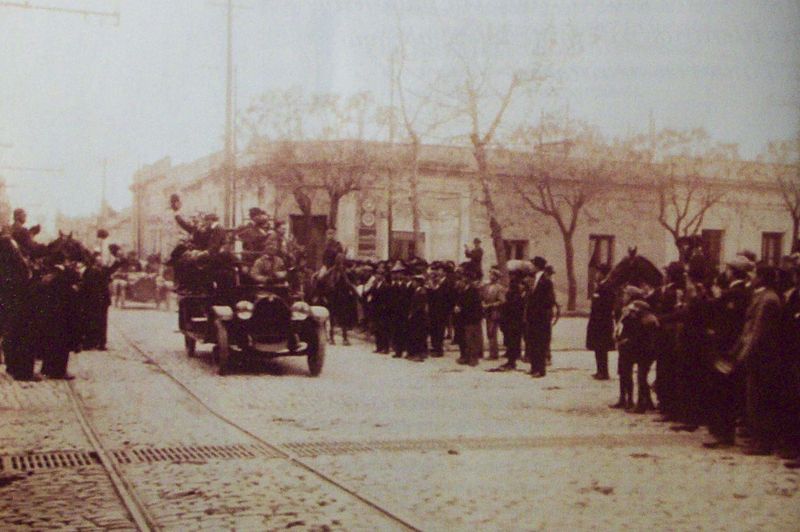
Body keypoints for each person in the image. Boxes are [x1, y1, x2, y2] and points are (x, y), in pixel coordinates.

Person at [732, 264, 784, 455]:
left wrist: (743, 355)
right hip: (757, 356)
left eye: (754, 275)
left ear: (762, 277)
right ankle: (758, 439)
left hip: (763, 357)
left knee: (760, 400)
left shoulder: (768, 300)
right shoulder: (762, 297)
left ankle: (763, 442)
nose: (751, 278)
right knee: (754, 399)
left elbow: (758, 333)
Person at [703, 256, 753, 448]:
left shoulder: (735, 294)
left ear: (732, 271)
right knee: (726, 391)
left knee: (724, 392)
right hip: (729, 348)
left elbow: (729, 325)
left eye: (728, 269)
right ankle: (723, 432)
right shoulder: (739, 292)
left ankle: (724, 434)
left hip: (727, 350)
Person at [523, 256, 555, 378]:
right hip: (533, 317)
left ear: (537, 266)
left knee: (540, 344)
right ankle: (534, 367)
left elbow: (549, 300)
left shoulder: (546, 281)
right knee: (533, 342)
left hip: (541, 318)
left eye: (532, 265)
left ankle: (540, 370)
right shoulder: (535, 279)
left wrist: (539, 311)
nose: (530, 267)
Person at [586, 264, 614, 380]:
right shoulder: (601, 286)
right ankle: (600, 370)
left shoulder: (607, 286)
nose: (596, 275)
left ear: (603, 274)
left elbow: (606, 304)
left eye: (598, 272)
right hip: (598, 321)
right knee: (598, 347)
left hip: (602, 322)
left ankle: (603, 372)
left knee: (602, 347)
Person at [454, 268, 483, 366]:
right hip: (463, 318)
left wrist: (461, 308)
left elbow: (474, 305)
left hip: (471, 318)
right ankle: (466, 357)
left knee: (471, 339)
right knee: (465, 339)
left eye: (464, 278)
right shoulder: (462, 290)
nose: (462, 280)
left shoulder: (473, 290)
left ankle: (473, 358)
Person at [481, 267, 506, 360]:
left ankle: (494, 353)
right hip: (488, 312)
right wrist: (483, 303)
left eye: (492, 275)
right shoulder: (487, 286)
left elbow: (502, 301)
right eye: (490, 274)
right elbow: (483, 297)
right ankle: (492, 352)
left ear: (496, 277)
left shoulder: (499, 288)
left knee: (492, 332)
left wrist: (490, 305)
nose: (490, 276)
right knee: (489, 332)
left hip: (495, 312)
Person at [406, 273, 429, 362]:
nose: (413, 283)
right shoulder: (417, 290)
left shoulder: (422, 291)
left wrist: (412, 313)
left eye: (414, 281)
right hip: (417, 316)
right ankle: (415, 353)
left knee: (419, 335)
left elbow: (420, 306)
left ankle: (419, 354)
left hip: (419, 317)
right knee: (415, 335)